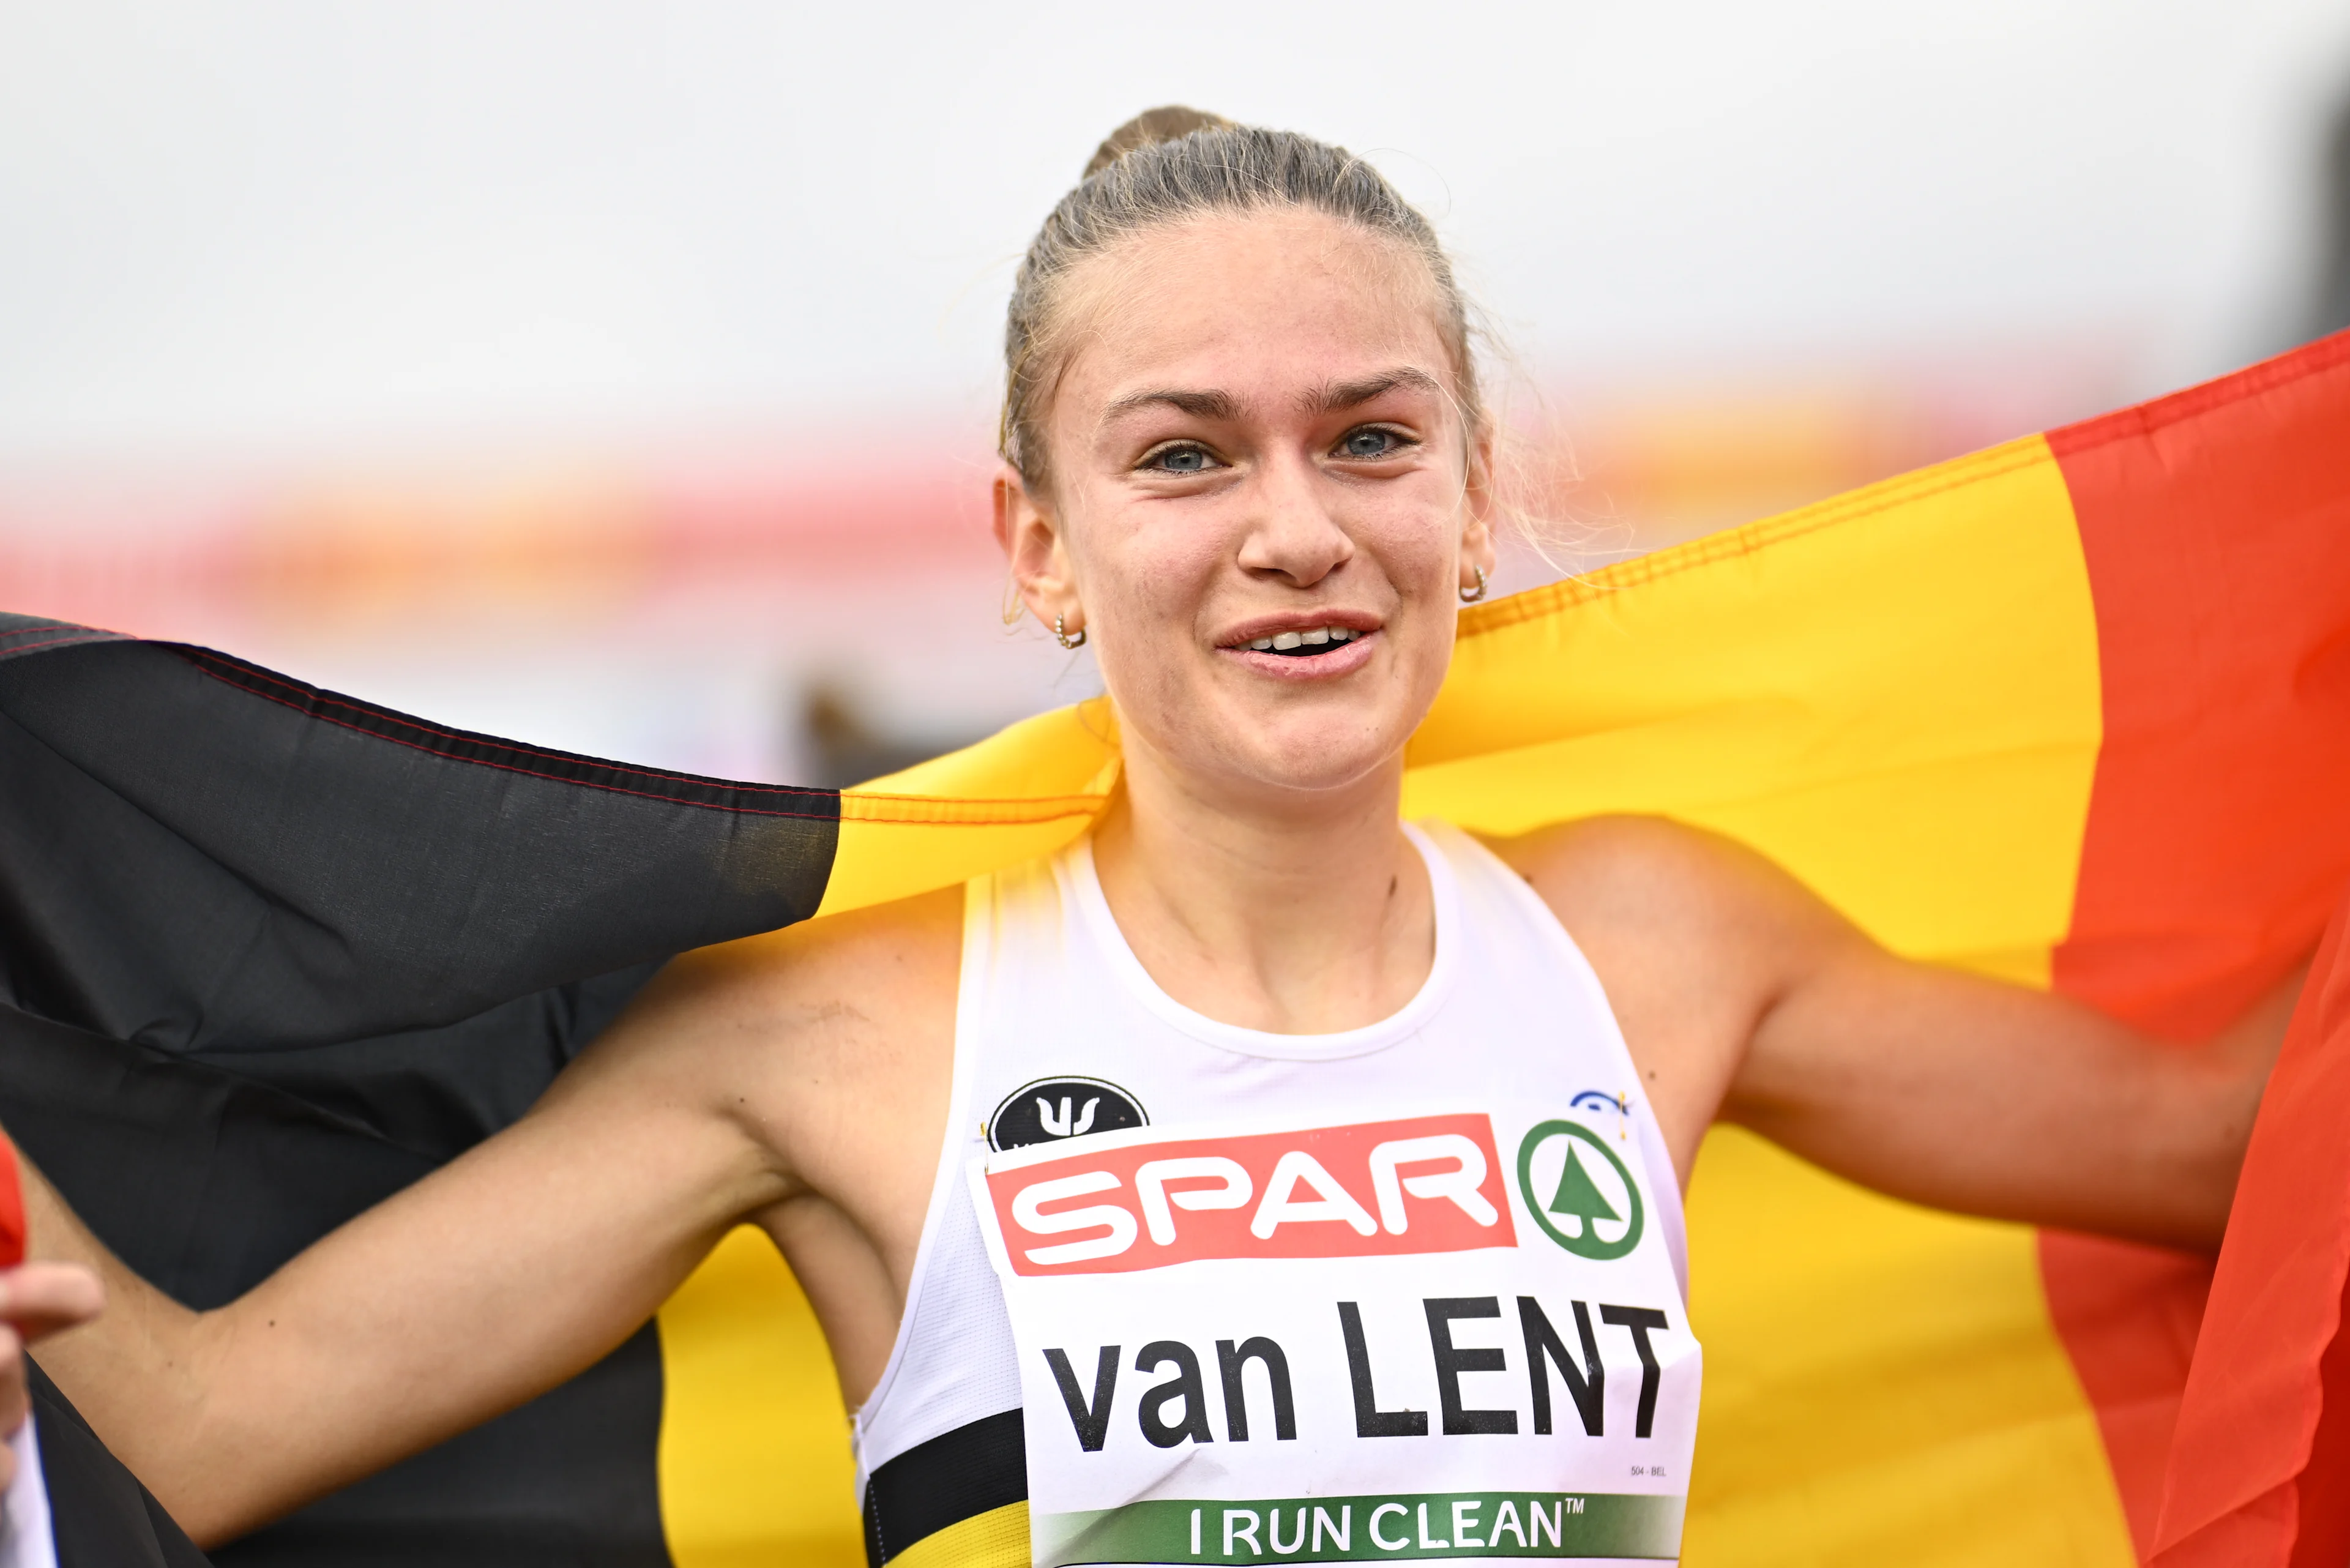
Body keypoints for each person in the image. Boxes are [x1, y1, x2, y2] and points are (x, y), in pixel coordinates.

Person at [12, 110, 2301, 1566]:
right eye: (1186, 456)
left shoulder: (1662, 943)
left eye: (1369, 439)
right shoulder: (824, 1039)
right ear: (1037, 545)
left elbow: (2235, 1162)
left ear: (1472, 494)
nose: (1295, 531)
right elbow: (215, 1430)